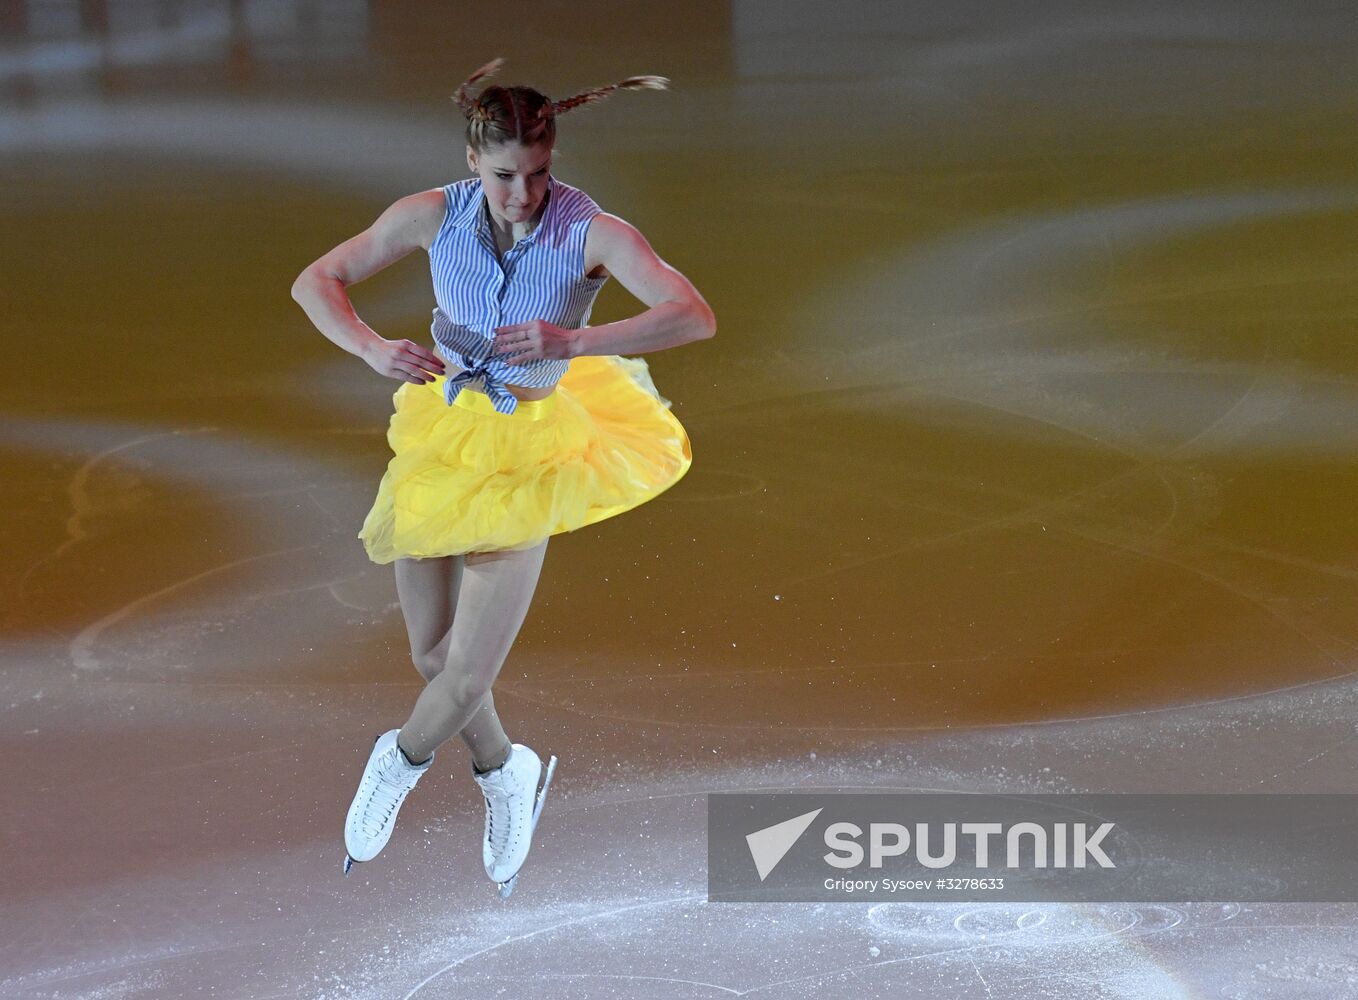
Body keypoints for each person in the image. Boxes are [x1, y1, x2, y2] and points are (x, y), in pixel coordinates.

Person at [290, 58, 715, 896]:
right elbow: (318, 281)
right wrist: (372, 346)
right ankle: (502, 771)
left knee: (468, 674)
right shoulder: (430, 214)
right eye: (503, 175)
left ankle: (397, 762)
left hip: (529, 451)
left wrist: (576, 343)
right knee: (432, 655)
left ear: (553, 159)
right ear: (473, 160)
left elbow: (691, 316)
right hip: (443, 433)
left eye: (538, 173)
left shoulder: (591, 230)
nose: (522, 194)